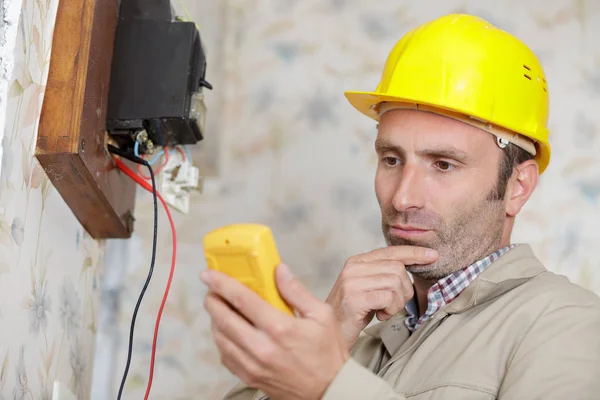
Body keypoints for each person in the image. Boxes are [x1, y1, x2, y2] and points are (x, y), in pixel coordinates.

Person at [200, 13, 600, 399]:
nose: (402, 198)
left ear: (517, 186)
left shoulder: (569, 324)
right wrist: (332, 330)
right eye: (391, 159)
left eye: (444, 164)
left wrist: (328, 387)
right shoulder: (362, 336)